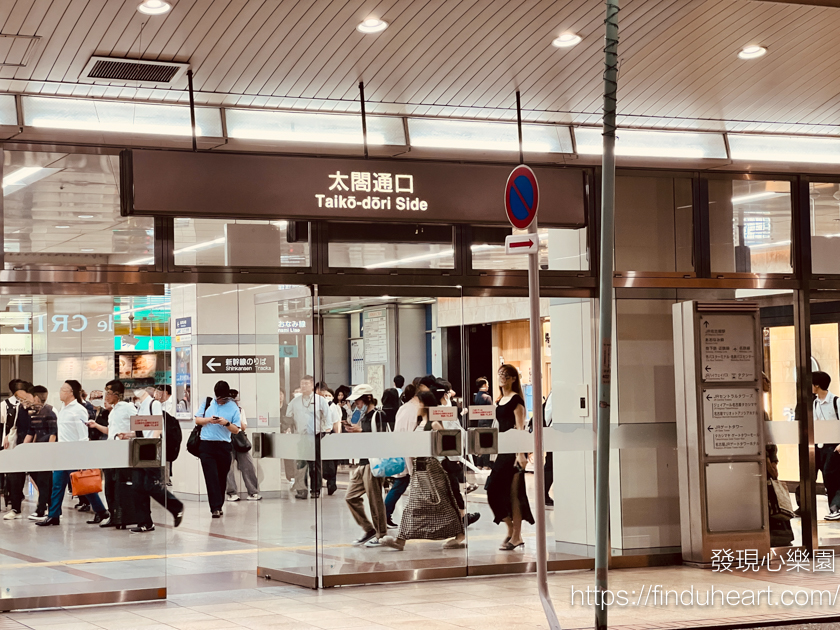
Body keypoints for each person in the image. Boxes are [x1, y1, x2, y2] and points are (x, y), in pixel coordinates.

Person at [381, 390, 466, 551]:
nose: (416, 406)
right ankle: (401, 539)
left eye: (418, 403)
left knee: (440, 503)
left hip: (431, 468)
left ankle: (401, 540)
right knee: (421, 503)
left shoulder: (433, 423)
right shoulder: (420, 422)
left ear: (425, 405)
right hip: (420, 468)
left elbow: (445, 444)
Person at [38, 380, 110, 527]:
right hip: (62, 453)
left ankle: (101, 511)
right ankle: (54, 515)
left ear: (72, 393)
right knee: (57, 485)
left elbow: (83, 435)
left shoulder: (78, 410)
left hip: (74, 454)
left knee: (83, 484)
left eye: (64, 389)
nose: (60, 392)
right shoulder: (63, 409)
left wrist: (82, 457)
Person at [484, 364, 534, 550]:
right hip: (503, 451)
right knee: (493, 491)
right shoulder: (499, 400)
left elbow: (520, 428)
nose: (502, 377)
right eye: (500, 374)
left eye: (506, 374)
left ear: (513, 378)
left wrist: (520, 454)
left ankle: (516, 536)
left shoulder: (516, 401)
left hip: (512, 453)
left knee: (515, 495)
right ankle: (512, 530)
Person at [343, 384, 388, 547]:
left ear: (367, 399)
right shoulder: (363, 417)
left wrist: (360, 432)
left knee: (375, 500)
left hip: (373, 462)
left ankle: (381, 533)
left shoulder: (378, 415)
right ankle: (369, 529)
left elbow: (382, 439)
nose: (357, 405)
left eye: (358, 401)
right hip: (363, 462)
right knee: (350, 496)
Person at [87, 381, 136, 529]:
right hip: (111, 451)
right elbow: (111, 431)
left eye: (108, 393)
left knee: (120, 486)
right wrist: (96, 426)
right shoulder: (113, 411)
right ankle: (113, 515)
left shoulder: (128, 408)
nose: (105, 396)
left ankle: (122, 516)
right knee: (109, 485)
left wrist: (129, 435)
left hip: (123, 452)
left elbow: (140, 427)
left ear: (116, 394)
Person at [195, 381, 241, 518]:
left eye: (224, 399)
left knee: (221, 477)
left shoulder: (233, 407)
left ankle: (219, 505)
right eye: (219, 398)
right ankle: (214, 507)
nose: (221, 401)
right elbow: (197, 420)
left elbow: (237, 430)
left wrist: (226, 423)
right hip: (206, 445)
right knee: (211, 477)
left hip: (223, 446)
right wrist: (209, 420)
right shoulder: (208, 402)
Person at [285, 375, 330, 499]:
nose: (303, 386)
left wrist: (326, 431)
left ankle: (315, 490)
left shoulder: (320, 400)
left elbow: (327, 417)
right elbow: (288, 417)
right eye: (302, 384)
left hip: (315, 435)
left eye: (306, 384)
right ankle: (301, 489)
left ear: (312, 385)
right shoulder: (295, 401)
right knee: (300, 464)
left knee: (315, 464)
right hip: (301, 437)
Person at [22, 385, 57, 520]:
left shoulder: (49, 412)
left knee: (44, 481)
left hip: (46, 452)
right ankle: (47, 506)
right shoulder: (34, 414)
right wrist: (24, 450)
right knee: (37, 478)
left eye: (29, 397)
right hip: (37, 452)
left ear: (35, 397)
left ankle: (41, 509)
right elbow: (32, 433)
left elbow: (53, 434)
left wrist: (50, 452)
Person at [2, 381, 32, 520]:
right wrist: (8, 436)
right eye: (18, 398)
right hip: (18, 447)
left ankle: (47, 508)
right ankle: (15, 508)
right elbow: (14, 426)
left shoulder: (41, 409)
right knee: (14, 478)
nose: (21, 400)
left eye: (22, 397)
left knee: (39, 479)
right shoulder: (19, 408)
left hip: (33, 448)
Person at [226, 389, 261, 502]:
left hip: (239, 439)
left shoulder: (240, 410)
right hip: (226, 439)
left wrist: (235, 414)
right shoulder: (222, 410)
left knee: (248, 466)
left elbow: (243, 426)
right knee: (228, 468)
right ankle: (231, 493)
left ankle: (253, 492)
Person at [814, 371, 840, 520]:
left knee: (832, 476)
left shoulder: (836, 401)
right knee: (827, 477)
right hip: (820, 446)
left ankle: (835, 508)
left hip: (834, 446)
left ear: (817, 385)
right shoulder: (815, 402)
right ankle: (833, 509)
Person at [473, 377, 494, 469]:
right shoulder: (487, 397)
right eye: (487, 384)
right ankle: (485, 465)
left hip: (479, 422)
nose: (488, 386)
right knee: (487, 444)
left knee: (480, 443)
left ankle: (479, 464)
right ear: (484, 385)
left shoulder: (476, 396)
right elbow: (491, 411)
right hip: (487, 422)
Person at [278, 387, 296, 483]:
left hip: (286, 434)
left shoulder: (288, 407)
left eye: (281, 394)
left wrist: (288, 428)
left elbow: (291, 420)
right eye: (278, 394)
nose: (279, 396)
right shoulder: (273, 408)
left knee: (288, 456)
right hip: (276, 434)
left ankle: (291, 476)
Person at [543, 392, 554, 507]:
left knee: (550, 464)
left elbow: (547, 415)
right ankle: (543, 493)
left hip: (553, 432)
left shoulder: (554, 393)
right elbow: (547, 416)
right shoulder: (555, 394)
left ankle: (543, 493)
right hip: (554, 433)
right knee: (551, 465)